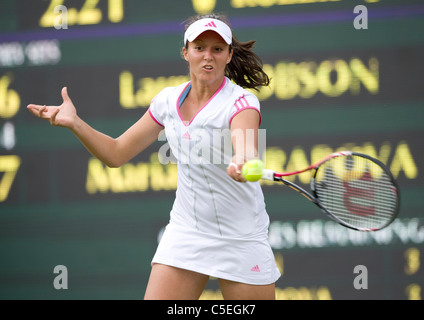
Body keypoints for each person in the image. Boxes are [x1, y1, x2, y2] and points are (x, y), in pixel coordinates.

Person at [27, 13, 281, 300]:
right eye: (199, 48)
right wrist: (75, 123)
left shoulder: (243, 102)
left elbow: (246, 146)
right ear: (185, 53)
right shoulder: (167, 102)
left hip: (241, 238)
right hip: (187, 232)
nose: (207, 56)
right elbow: (116, 153)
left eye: (217, 49)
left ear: (229, 55)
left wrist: (243, 160)